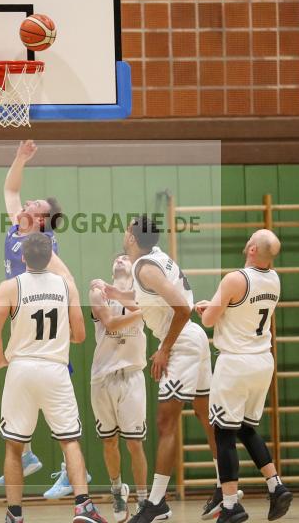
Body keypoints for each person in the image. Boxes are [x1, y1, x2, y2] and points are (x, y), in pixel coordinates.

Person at [102, 216, 220, 523]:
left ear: (131, 237)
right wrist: (118, 295)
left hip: (180, 342)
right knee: (205, 416)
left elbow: (182, 308)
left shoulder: (145, 267)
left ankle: (156, 503)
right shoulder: (151, 261)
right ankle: (225, 487)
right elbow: (151, 298)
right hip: (193, 339)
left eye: (127, 229)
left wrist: (164, 348)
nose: (124, 233)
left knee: (166, 421)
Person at [0, 233, 108, 523]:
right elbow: (80, 336)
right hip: (55, 368)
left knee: (15, 446)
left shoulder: (10, 287)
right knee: (69, 441)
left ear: (23, 257)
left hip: (22, 369)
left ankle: (14, 514)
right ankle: (83, 506)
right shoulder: (66, 286)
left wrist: (0, 358)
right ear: (51, 256)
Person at [0, 139, 90, 498]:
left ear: (40, 220)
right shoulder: (16, 229)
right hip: (26, 323)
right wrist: (19, 157)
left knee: (51, 395)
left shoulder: (43, 247)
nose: (26, 202)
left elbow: (68, 281)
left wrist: (73, 311)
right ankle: (31, 455)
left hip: (48, 332)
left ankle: (72, 472)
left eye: (34, 204)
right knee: (25, 389)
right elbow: (10, 188)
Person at [195, 229, 293, 523]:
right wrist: (218, 307)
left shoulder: (235, 278)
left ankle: (229, 506)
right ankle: (276, 486)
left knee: (223, 434)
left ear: (251, 248)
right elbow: (243, 311)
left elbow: (209, 320)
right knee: (246, 428)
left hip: (235, 364)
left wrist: (209, 308)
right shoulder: (274, 280)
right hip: (263, 360)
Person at [89, 255, 149, 522]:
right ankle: (117, 490)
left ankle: (144, 499)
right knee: (109, 440)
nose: (121, 259)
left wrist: (142, 307)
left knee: (135, 444)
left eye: (126, 257)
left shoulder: (144, 293)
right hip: (103, 377)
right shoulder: (97, 291)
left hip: (132, 374)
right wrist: (143, 312)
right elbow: (111, 323)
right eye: (117, 258)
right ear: (112, 268)